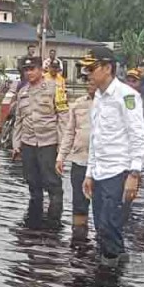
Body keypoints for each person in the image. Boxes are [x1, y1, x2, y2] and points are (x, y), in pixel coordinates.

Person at [79, 47, 144, 267]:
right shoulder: (98, 98)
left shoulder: (127, 96)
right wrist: (89, 173)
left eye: (91, 68)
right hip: (100, 171)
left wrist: (134, 173)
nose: (87, 73)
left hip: (119, 172)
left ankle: (111, 277)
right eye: (86, 69)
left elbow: (138, 137)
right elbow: (96, 139)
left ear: (108, 68)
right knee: (101, 228)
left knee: (108, 224)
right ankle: (114, 270)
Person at [12, 55, 69, 221]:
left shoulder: (54, 88)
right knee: (32, 182)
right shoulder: (22, 92)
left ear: (40, 70)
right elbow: (19, 121)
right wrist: (16, 145)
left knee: (52, 183)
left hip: (48, 142)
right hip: (28, 143)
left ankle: (54, 222)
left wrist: (62, 146)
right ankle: (34, 222)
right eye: (26, 70)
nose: (29, 73)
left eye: (32, 69)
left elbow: (63, 116)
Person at [57, 67, 96, 238]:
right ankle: (79, 242)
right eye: (86, 80)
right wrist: (61, 156)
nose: (89, 83)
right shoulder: (79, 104)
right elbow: (70, 132)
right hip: (80, 161)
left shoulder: (111, 103)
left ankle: (104, 246)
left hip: (104, 165)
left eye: (92, 79)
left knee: (104, 207)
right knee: (79, 205)